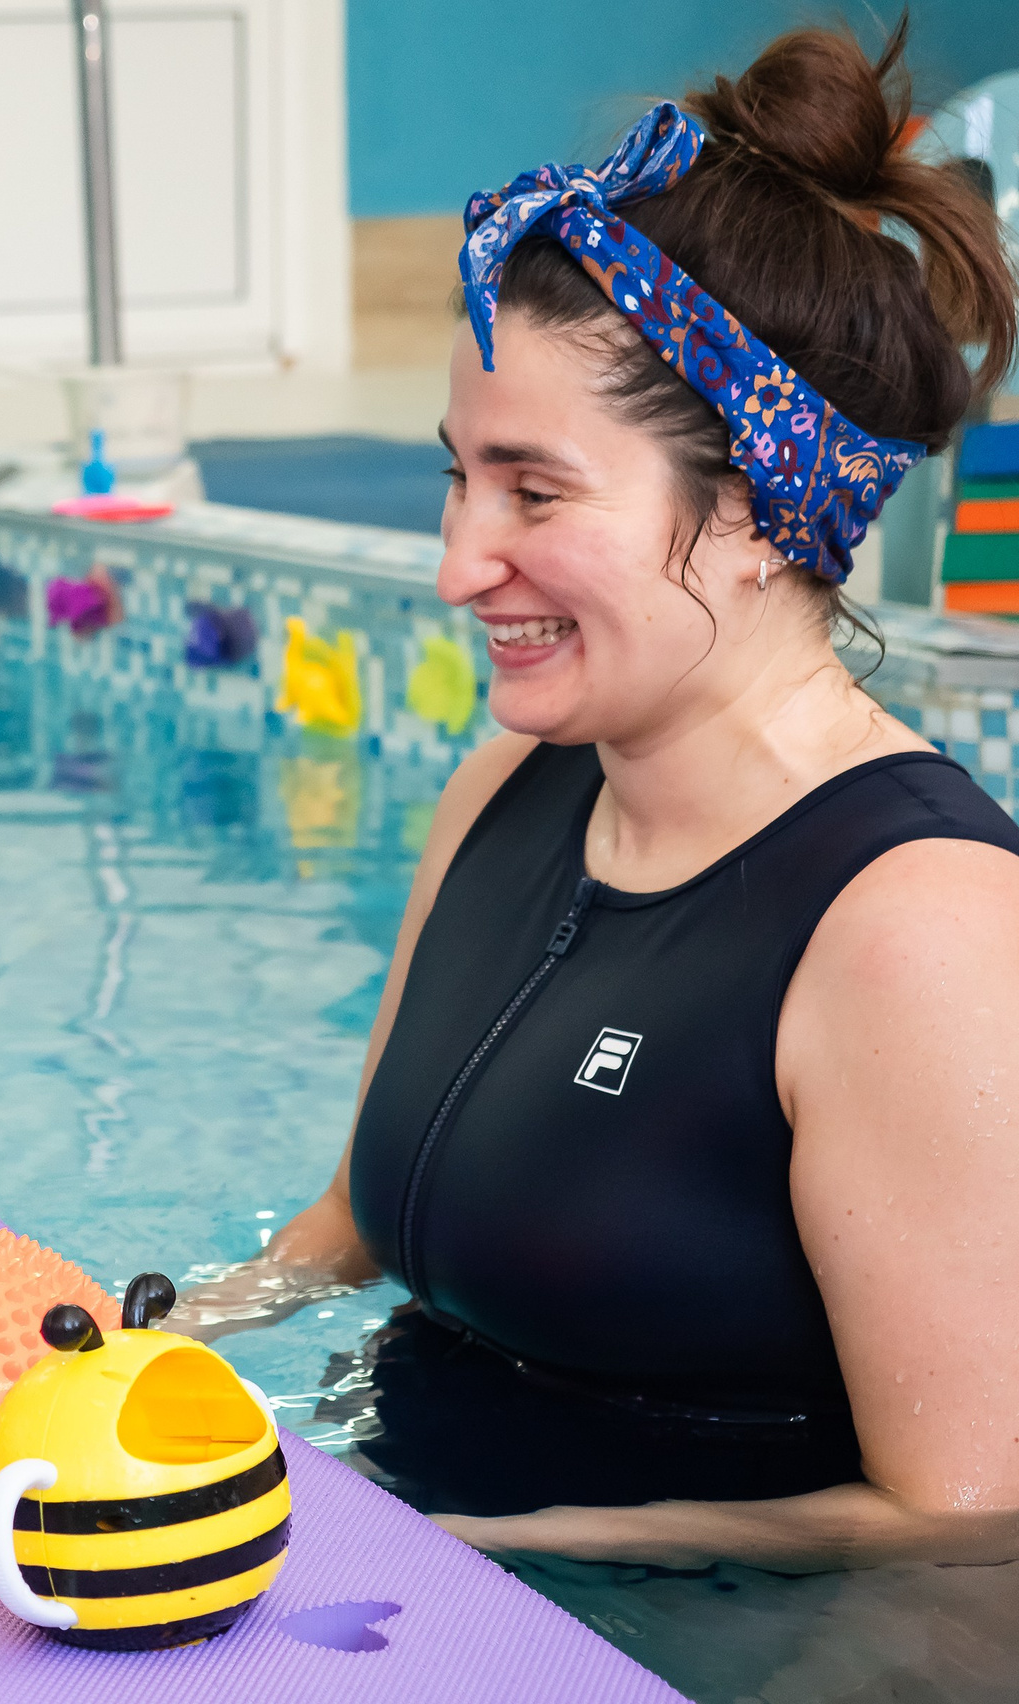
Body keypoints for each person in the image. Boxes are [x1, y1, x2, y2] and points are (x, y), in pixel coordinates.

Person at [177, 25, 1019, 1571]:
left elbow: (962, 1533)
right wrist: (147, 1332)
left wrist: (483, 1557)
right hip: (386, 1568)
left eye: (534, 492)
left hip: (662, 1636)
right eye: (456, 477)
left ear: (763, 514)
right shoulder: (512, 785)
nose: (456, 566)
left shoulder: (922, 930)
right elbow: (358, 1216)